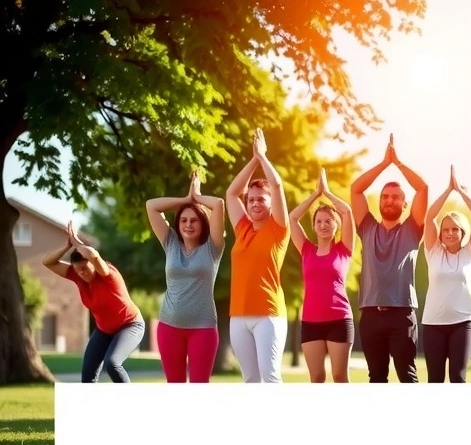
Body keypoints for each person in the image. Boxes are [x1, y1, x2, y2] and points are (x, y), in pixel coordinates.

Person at [349, 134, 428, 383]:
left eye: (396, 197)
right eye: (385, 196)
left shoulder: (412, 229)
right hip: (370, 315)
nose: (389, 200)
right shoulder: (367, 227)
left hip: (401, 315)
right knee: (377, 378)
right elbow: (356, 189)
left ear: (405, 204)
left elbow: (423, 188)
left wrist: (399, 164)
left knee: (407, 375)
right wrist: (384, 164)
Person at [145, 170, 226, 383]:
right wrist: (185, 199)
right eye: (183, 220)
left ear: (202, 223)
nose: (188, 224)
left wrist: (197, 197)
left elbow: (218, 204)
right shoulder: (170, 243)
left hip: (203, 329)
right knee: (175, 386)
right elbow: (151, 206)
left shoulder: (213, 247)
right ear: (178, 224)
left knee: (200, 385)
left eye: (194, 220)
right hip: (169, 327)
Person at [225, 127, 291, 383]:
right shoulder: (242, 228)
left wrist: (263, 157)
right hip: (238, 316)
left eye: (260, 200)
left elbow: (276, 184)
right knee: (250, 380)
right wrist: (253, 160)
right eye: (250, 199)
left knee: (270, 377)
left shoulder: (278, 229)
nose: (253, 203)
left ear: (271, 202)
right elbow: (232, 193)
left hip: (268, 315)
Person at [42, 222, 145, 383]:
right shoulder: (77, 275)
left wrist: (76, 241)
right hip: (104, 331)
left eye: (85, 268)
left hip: (130, 325)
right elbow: (47, 262)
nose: (82, 273)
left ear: (94, 266)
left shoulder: (107, 274)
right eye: (78, 269)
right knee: (88, 374)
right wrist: (66, 246)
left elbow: (93, 255)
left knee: (112, 364)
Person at [288, 168, 355, 383]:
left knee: (339, 375)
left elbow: (347, 213)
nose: (324, 225)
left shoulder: (344, 249)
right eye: (319, 221)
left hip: (339, 319)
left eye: (328, 221)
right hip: (311, 321)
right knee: (316, 377)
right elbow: (293, 217)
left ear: (336, 226)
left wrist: (327, 192)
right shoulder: (306, 249)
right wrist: (316, 195)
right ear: (314, 226)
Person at [421, 166, 471, 383]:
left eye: (455, 229)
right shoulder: (433, 252)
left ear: (462, 232)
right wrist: (448, 191)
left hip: (463, 323)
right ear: (440, 234)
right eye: (446, 229)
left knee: (458, 377)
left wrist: (460, 192)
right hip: (433, 325)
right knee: (435, 379)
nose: (449, 233)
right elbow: (429, 217)